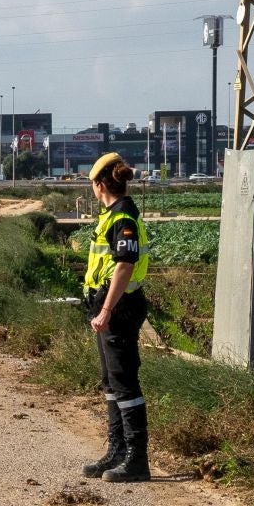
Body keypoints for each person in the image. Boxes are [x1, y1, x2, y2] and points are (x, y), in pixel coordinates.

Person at [80, 151, 152, 483]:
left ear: (99, 184)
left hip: (119, 307)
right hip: (107, 306)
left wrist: (106, 310)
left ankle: (137, 460)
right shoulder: (112, 215)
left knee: (124, 383)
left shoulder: (122, 217)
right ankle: (117, 452)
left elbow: (124, 266)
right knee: (111, 383)